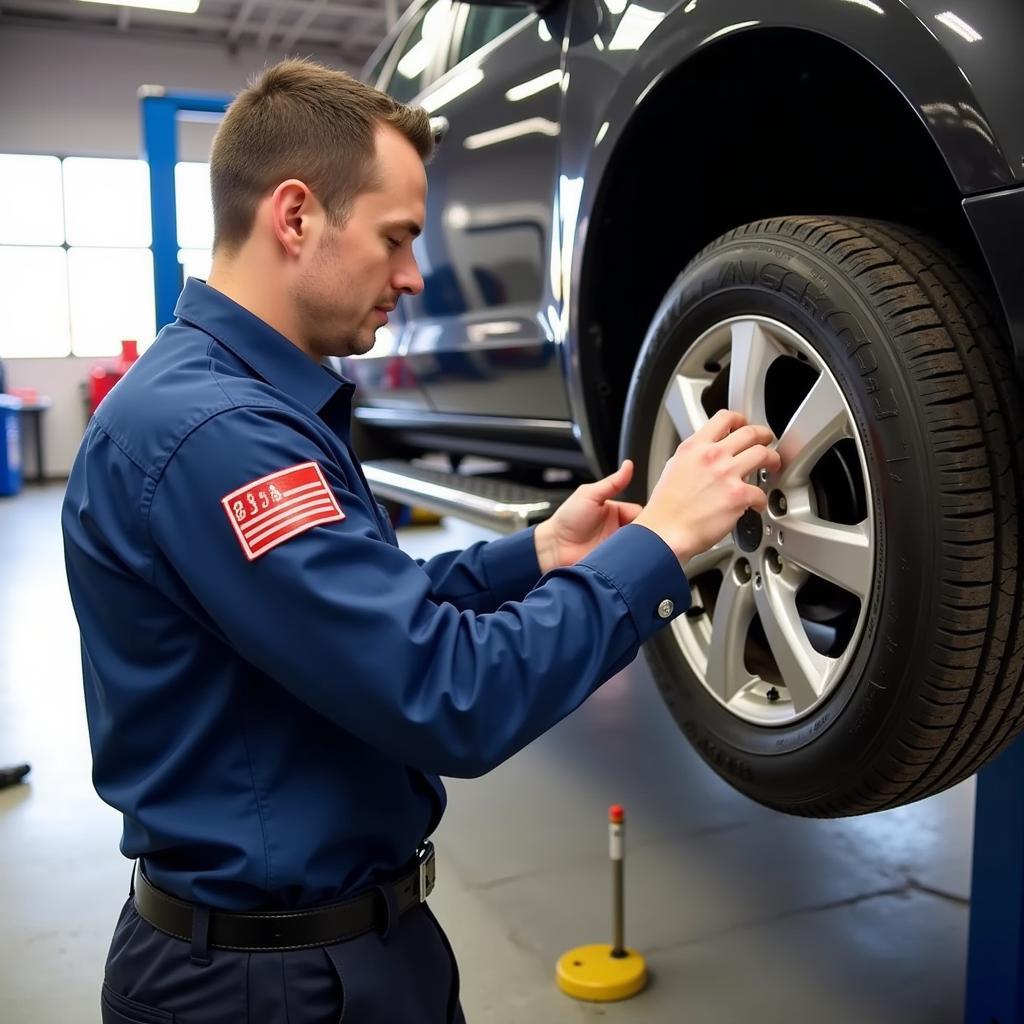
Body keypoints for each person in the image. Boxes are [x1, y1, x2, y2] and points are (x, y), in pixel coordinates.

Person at [62, 59, 780, 1024]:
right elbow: (450, 694)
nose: (413, 276)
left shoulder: (241, 402)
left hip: (335, 950)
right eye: (396, 237)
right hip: (265, 988)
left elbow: (358, 606)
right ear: (295, 216)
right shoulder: (220, 436)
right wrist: (656, 543)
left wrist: (534, 557)